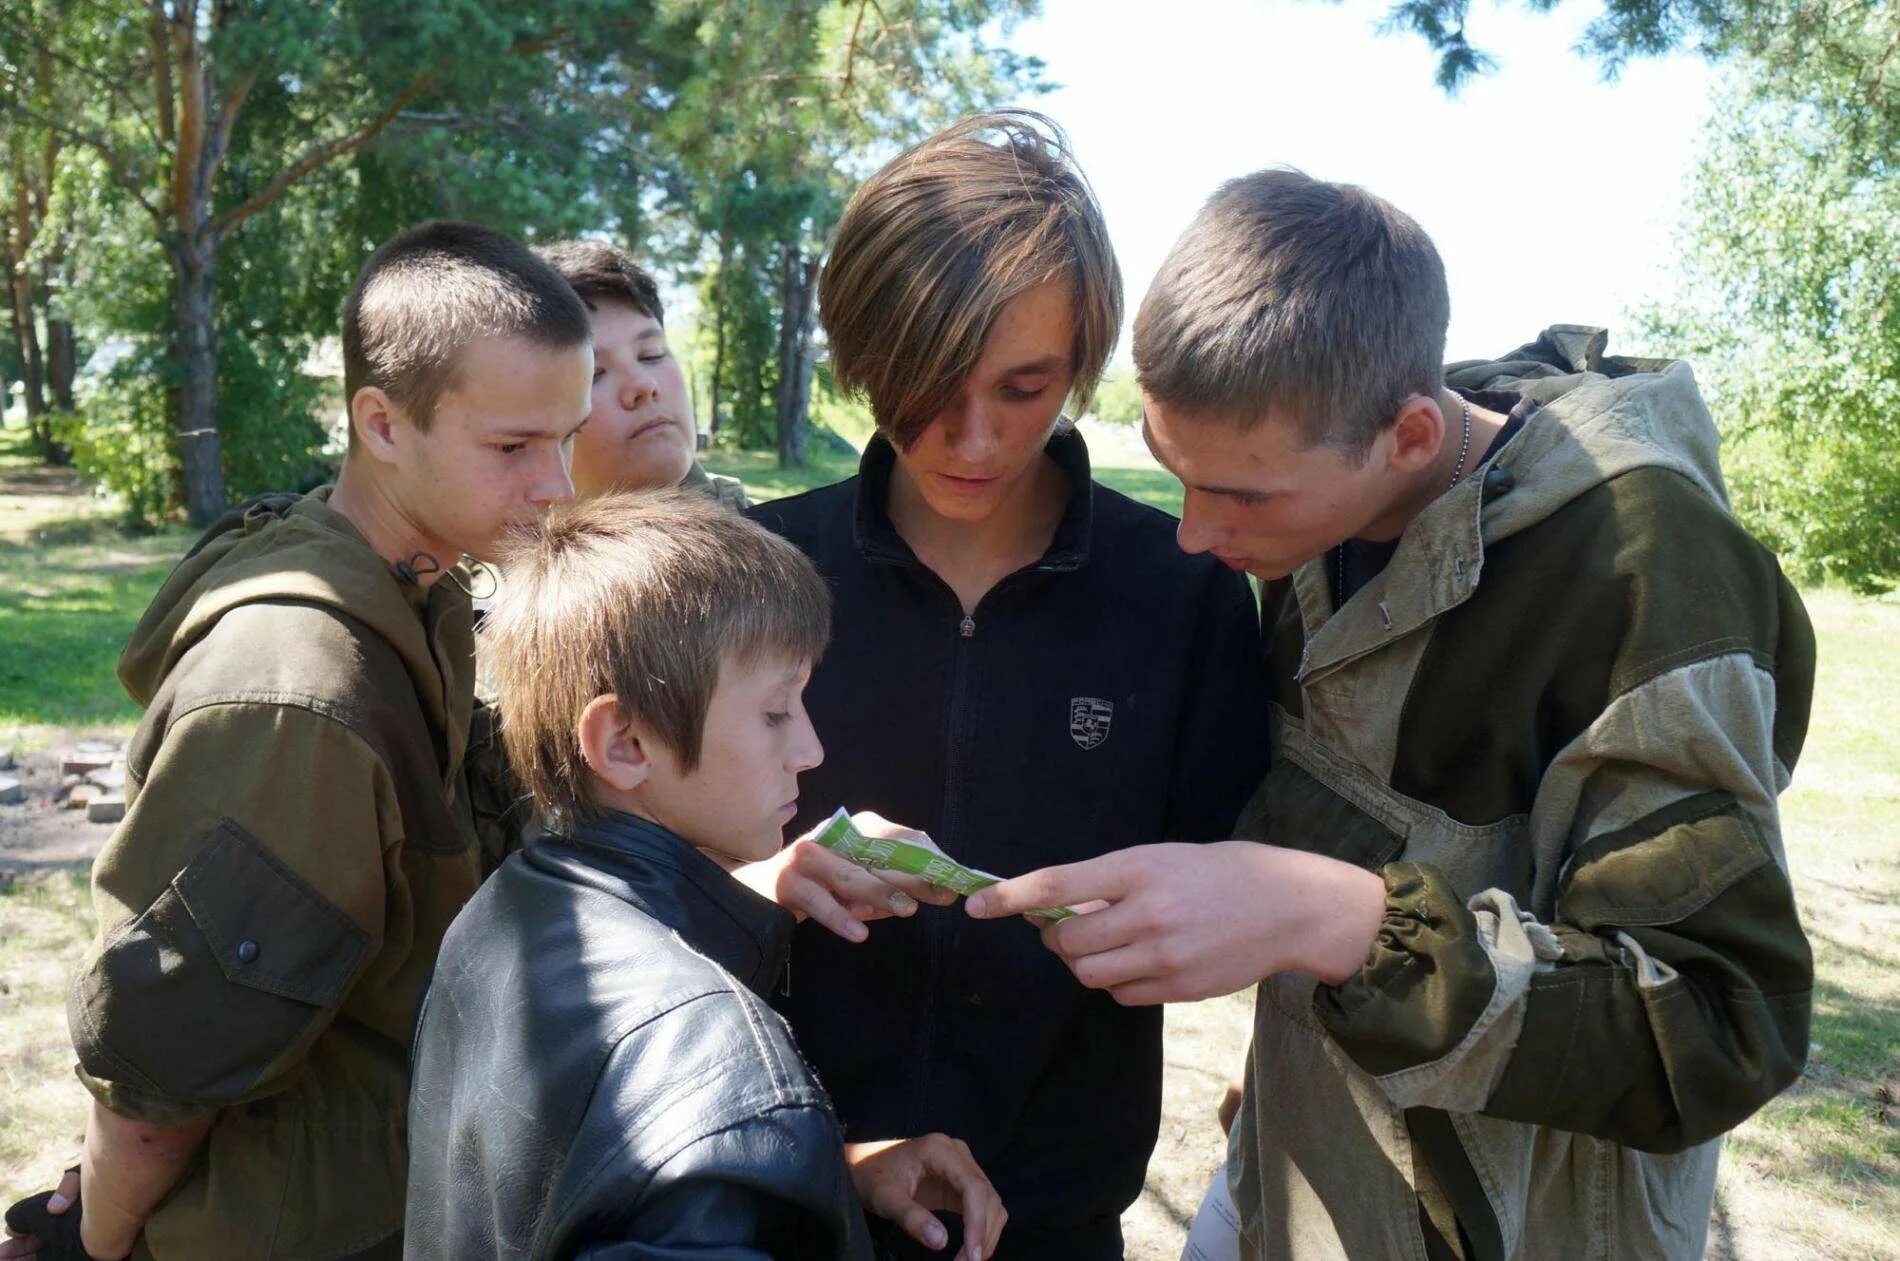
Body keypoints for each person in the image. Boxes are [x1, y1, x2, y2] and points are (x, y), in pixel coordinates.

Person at [968, 170, 1817, 1261]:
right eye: (1179, 475)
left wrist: (1333, 921)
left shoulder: (1645, 573)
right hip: (1299, 1182)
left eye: (1242, 495)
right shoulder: (1318, 489)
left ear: (1412, 436)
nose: (1191, 535)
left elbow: (1720, 1022)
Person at [1, 222, 596, 1260]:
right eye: (512, 446)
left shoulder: (421, 590)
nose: (556, 484)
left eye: (566, 437)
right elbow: (171, 1063)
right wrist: (94, 1238)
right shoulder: (300, 697)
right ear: (382, 423)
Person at [750, 111, 1269, 1260]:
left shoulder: (1179, 590)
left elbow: (1244, 880)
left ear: (1083, 358)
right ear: (858, 348)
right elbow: (635, 877)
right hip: (778, 1192)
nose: (971, 439)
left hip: (1054, 1214)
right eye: (921, 382)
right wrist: (762, 873)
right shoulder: (757, 571)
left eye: (1025, 387)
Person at [404, 492, 1005, 1260]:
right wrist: (747, 1134)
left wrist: (812, 1177)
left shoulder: (498, 916)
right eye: (775, 712)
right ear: (624, 741)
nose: (811, 749)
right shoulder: (715, 1059)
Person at [534, 239, 747, 508]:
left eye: (652, 354)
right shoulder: (498, 549)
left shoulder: (789, 534)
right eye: (594, 373)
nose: (643, 384)